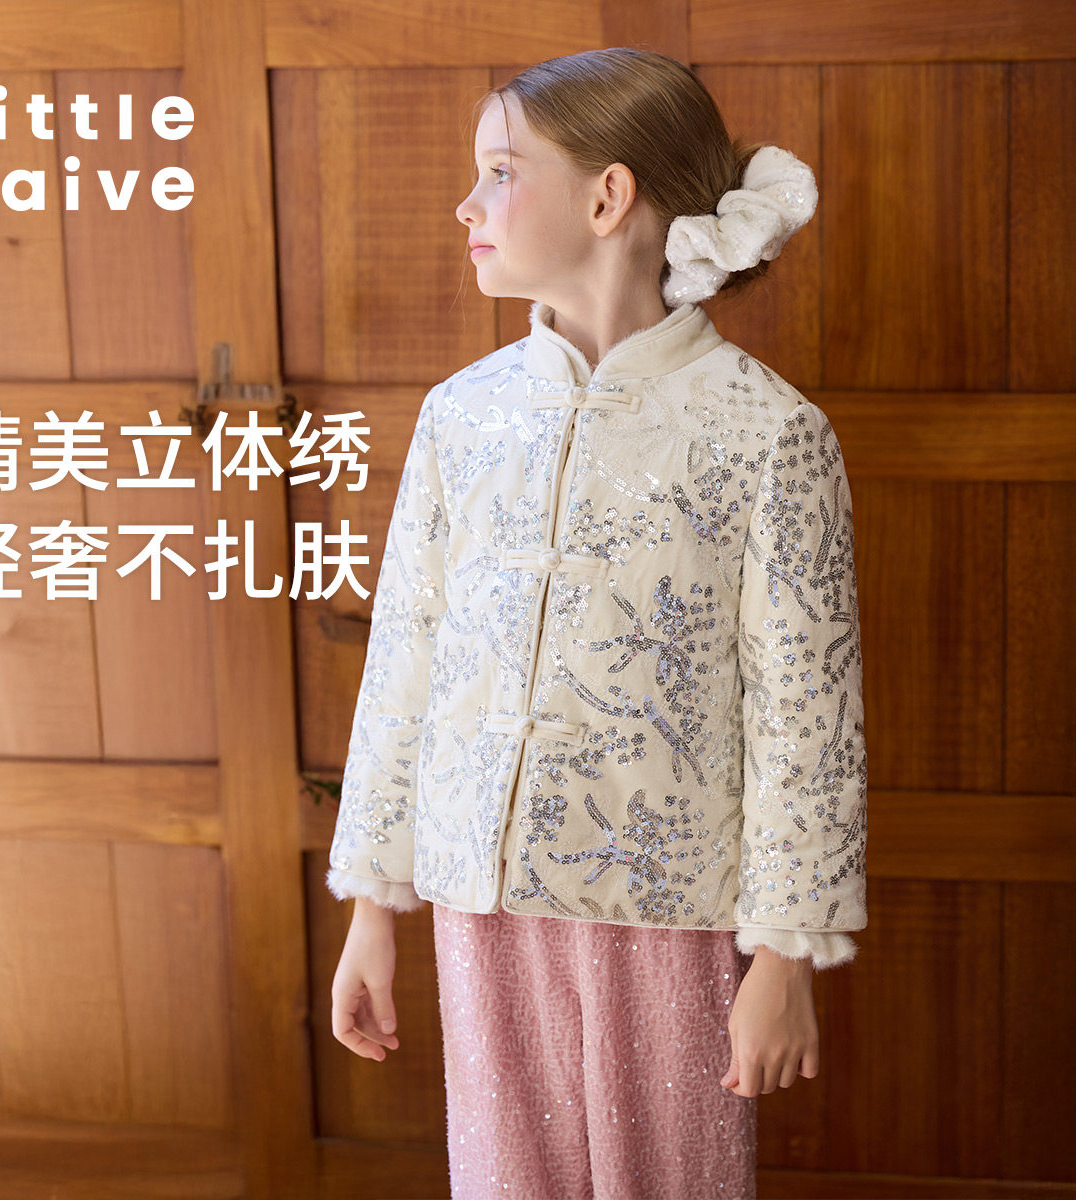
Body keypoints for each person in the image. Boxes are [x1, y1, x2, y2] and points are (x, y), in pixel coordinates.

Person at [325, 46, 867, 1200]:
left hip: (668, 916)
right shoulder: (461, 419)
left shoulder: (766, 433)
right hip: (478, 903)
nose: (466, 206)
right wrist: (374, 907)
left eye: (499, 172)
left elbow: (808, 721)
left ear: (608, 197)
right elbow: (405, 664)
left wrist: (786, 955)